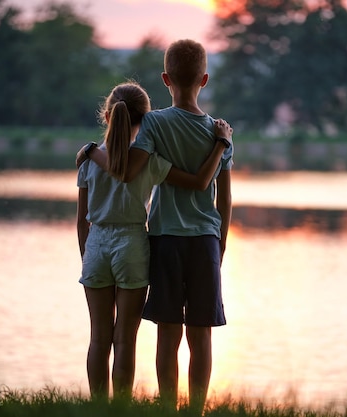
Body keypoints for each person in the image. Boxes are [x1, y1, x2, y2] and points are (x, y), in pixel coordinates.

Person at [80, 39, 233, 414]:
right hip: (204, 241)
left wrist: (90, 152)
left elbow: (124, 168)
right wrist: (222, 242)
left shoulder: (153, 123)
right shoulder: (220, 131)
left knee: (167, 331)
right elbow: (223, 196)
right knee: (201, 335)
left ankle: (163, 408)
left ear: (165, 79)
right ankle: (193, 409)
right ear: (205, 79)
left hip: (162, 237)